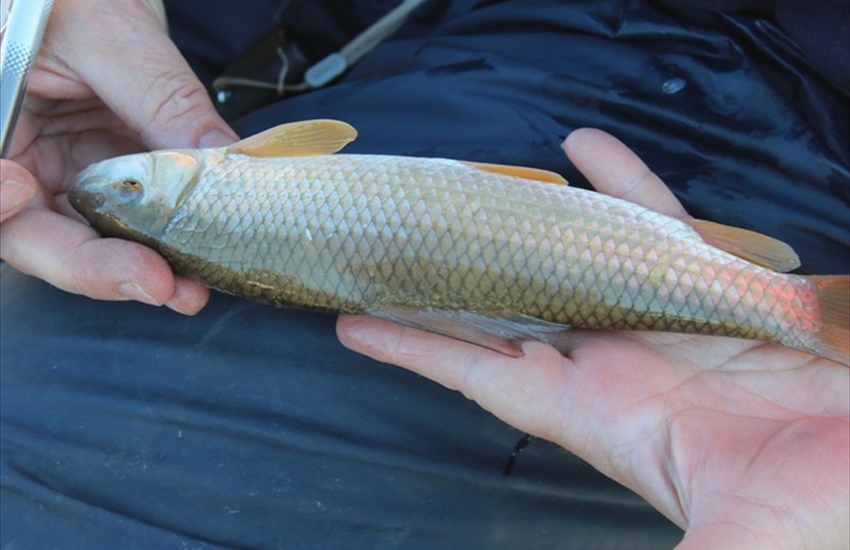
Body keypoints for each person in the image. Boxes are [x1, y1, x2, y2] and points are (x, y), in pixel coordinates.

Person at [1, 1, 847, 548]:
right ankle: (786, 307)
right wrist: (28, 28)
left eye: (132, 189)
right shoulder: (209, 170)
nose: (122, 185)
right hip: (501, 43)